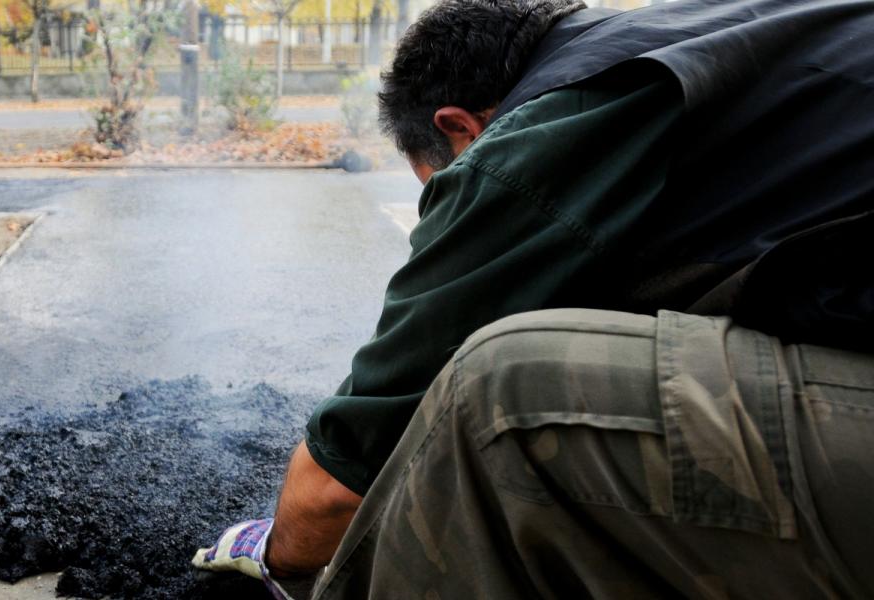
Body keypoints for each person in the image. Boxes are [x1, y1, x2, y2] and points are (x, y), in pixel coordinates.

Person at [192, 0, 874, 597]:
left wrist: (270, 553)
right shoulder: (693, 41)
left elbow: (332, 492)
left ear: (460, 127)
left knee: (503, 390)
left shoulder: (548, 125)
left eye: (438, 190)